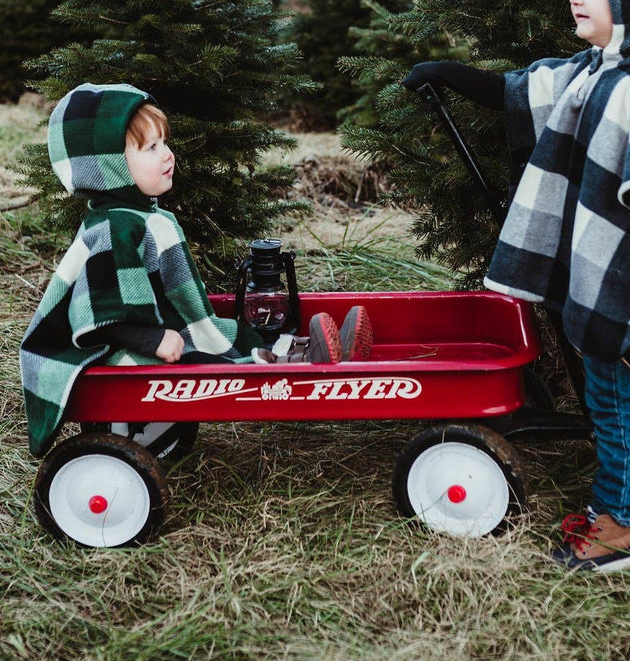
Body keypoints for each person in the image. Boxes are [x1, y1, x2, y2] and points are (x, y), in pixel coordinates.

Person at [405, 0, 630, 572]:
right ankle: (622, 490)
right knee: (613, 393)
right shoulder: (596, 70)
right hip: (605, 279)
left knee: (611, 394)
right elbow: (516, 89)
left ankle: (618, 530)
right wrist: (444, 72)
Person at [19, 83, 369, 457]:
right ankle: (308, 361)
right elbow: (103, 308)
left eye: (164, 143)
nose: (168, 155)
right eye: (151, 148)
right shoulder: (115, 228)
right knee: (214, 363)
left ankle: (297, 348)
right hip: (125, 348)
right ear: (108, 166)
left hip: (163, 330)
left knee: (234, 335)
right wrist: (151, 339)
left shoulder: (144, 216)